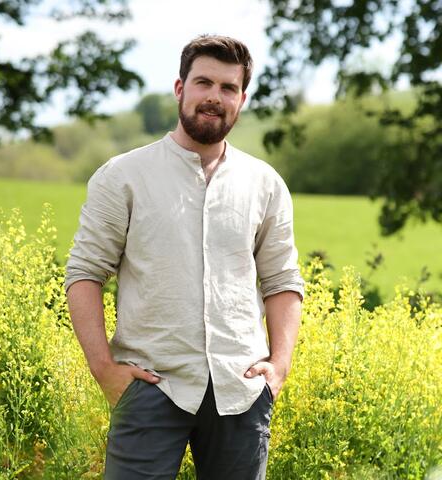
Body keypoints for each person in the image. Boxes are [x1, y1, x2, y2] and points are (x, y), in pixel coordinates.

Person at [65, 34, 304, 480]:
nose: (214, 97)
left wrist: (279, 367)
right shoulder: (123, 177)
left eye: (228, 88)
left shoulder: (265, 184)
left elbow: (282, 281)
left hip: (242, 390)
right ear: (180, 89)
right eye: (203, 83)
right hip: (152, 388)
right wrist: (105, 370)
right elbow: (84, 274)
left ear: (241, 99)